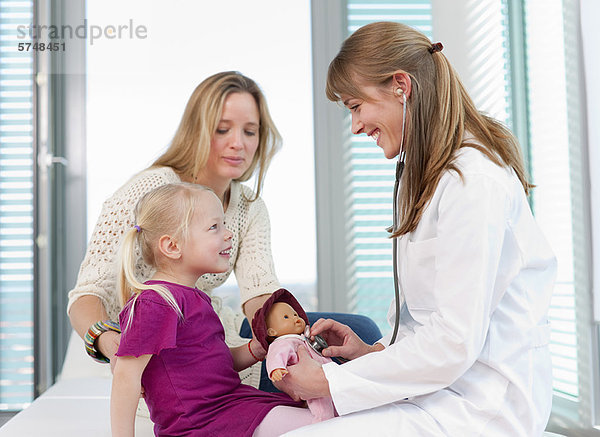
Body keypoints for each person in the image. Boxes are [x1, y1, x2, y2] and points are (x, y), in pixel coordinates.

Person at [275, 21, 557, 437]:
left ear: (400, 86)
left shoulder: (474, 183)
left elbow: (454, 342)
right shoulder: (427, 177)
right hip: (442, 393)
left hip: (484, 406)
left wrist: (331, 381)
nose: (354, 126)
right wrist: (369, 352)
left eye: (355, 106)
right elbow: (426, 324)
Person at [67, 71, 381, 391]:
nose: (238, 144)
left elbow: (259, 295)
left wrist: (291, 340)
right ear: (197, 131)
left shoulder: (249, 205)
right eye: (222, 129)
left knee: (361, 334)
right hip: (160, 348)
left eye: (250, 131)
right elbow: (87, 296)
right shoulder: (149, 191)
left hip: (214, 331)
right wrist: (114, 348)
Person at [111, 183, 315, 437]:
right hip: (203, 423)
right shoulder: (156, 302)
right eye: (214, 227)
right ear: (172, 246)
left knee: (324, 416)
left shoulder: (193, 298)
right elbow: (125, 377)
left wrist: (254, 349)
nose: (228, 234)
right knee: (324, 425)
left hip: (229, 407)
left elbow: (213, 366)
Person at [251, 288, 335, 423]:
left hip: (329, 376)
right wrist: (276, 369)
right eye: (286, 317)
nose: (295, 318)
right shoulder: (284, 342)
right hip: (310, 381)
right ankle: (323, 425)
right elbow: (276, 356)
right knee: (322, 408)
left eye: (295, 314)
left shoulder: (304, 338)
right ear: (271, 331)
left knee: (338, 403)